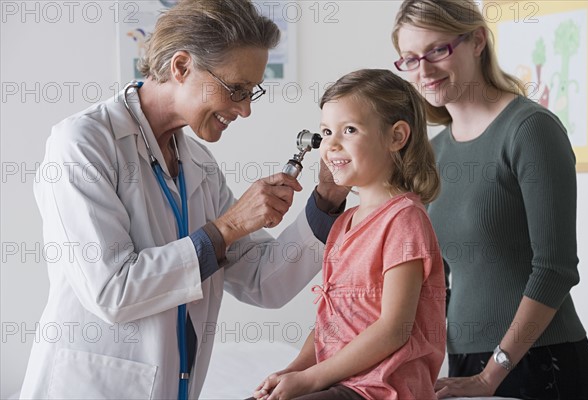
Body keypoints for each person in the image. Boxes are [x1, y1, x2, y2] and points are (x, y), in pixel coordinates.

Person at [19, 1, 349, 398]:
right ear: (181, 67)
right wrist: (229, 226)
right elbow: (112, 291)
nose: (244, 110)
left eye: (251, 93)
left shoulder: (199, 165)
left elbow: (264, 283)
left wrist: (328, 198)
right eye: (236, 89)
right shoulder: (83, 145)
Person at [392, 1, 588, 398]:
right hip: (466, 363)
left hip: (539, 362)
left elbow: (555, 269)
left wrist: (492, 373)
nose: (424, 70)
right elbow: (438, 280)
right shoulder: (433, 153)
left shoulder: (529, 130)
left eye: (438, 50)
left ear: (477, 41)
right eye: (410, 58)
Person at [251, 69, 446, 400]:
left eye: (349, 130)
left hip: (383, 389)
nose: (331, 144)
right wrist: (294, 370)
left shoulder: (404, 220)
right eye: (326, 131)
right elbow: (333, 320)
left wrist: (312, 379)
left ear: (397, 136)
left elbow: (393, 330)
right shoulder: (343, 223)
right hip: (342, 383)